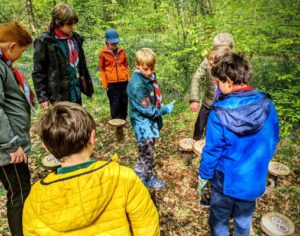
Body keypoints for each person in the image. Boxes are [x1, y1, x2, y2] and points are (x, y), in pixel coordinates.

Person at [23, 102, 160, 235]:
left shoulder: (34, 198)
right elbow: (147, 228)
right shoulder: (123, 177)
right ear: (92, 137)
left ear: (45, 147)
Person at [198, 52, 279, 236]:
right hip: (253, 180)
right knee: (243, 222)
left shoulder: (219, 112)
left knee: (219, 222)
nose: (217, 85)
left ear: (228, 81)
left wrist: (204, 175)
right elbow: (273, 140)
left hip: (224, 182)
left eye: (218, 81)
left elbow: (212, 151)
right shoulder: (267, 105)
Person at [0, 21, 33, 236]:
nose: (21, 55)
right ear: (11, 46)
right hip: (7, 150)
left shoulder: (4, 65)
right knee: (19, 194)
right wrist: (12, 145)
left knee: (20, 190)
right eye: (22, 51)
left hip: (11, 145)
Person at [127, 48, 175, 189]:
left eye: (152, 69)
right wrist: (164, 110)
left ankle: (139, 170)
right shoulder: (137, 84)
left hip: (148, 122)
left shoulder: (148, 77)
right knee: (147, 149)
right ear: (137, 65)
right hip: (143, 124)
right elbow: (148, 110)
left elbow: (152, 97)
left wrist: (160, 105)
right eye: (145, 69)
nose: (149, 72)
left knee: (145, 148)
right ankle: (147, 178)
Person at [32, 3, 94, 108]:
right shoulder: (45, 42)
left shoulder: (75, 39)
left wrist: (87, 86)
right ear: (57, 22)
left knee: (77, 121)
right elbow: (39, 72)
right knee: (64, 123)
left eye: (74, 24)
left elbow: (81, 66)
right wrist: (43, 97)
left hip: (75, 90)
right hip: (58, 95)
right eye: (69, 25)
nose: (73, 27)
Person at [190, 33, 234, 141]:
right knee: (200, 125)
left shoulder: (233, 64)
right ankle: (194, 144)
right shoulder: (208, 61)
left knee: (215, 129)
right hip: (208, 102)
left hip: (224, 106)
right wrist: (194, 99)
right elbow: (197, 77)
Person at [99, 28, 130, 121]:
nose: (115, 46)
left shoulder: (122, 51)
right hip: (112, 83)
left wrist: (128, 78)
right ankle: (116, 121)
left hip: (124, 82)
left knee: (124, 102)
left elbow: (126, 65)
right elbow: (102, 69)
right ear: (107, 42)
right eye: (112, 44)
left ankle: (123, 120)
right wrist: (105, 84)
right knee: (114, 103)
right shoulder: (103, 53)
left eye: (116, 43)